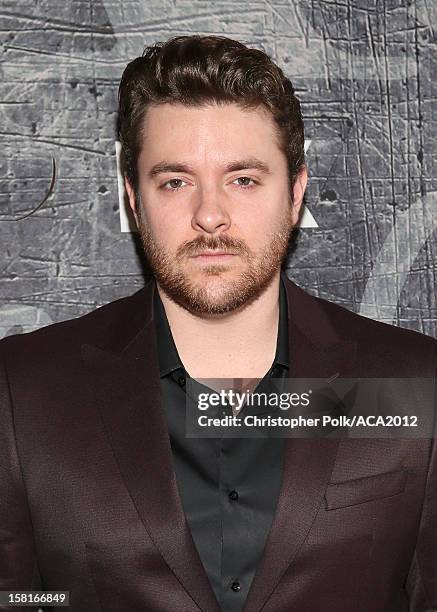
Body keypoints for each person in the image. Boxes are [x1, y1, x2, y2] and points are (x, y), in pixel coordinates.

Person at [0, 35, 436, 612]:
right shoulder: (22, 392)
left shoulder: (417, 383)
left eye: (244, 179)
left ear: (296, 191)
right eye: (175, 181)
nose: (210, 214)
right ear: (134, 198)